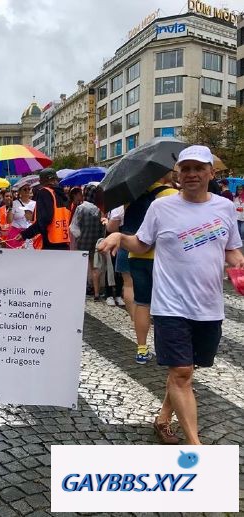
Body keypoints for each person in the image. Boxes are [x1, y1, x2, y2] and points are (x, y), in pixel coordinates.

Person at [98, 145, 244, 445]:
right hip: (170, 305)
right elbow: (141, 244)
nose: (191, 174)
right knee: (181, 370)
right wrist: (119, 237)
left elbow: (231, 251)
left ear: (210, 173)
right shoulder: (161, 207)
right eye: (185, 168)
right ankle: (195, 446)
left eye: (198, 168)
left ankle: (164, 417)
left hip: (208, 306)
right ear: (177, 173)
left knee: (186, 372)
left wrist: (239, 265)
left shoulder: (225, 208)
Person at [123, 173, 178, 364]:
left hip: (135, 255)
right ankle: (169, 352)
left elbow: (123, 226)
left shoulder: (132, 196)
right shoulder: (170, 193)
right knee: (166, 306)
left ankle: (141, 349)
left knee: (142, 303)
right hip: (162, 258)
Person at [16, 168, 70, 250]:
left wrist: (25, 234)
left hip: (49, 242)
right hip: (64, 241)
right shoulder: (64, 196)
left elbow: (44, 219)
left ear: (42, 181)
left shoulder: (45, 192)